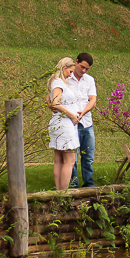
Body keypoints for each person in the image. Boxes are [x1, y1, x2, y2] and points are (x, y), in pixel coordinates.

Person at [48, 57, 80, 191]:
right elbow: (55, 102)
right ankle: (63, 192)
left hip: (59, 122)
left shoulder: (54, 82)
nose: (71, 74)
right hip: (64, 124)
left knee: (59, 159)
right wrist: (72, 114)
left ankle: (59, 191)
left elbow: (49, 101)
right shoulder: (58, 82)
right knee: (70, 160)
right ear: (64, 67)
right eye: (70, 71)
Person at [67, 52, 97, 187]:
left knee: (88, 157)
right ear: (76, 62)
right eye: (82, 67)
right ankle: (74, 186)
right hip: (71, 123)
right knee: (73, 158)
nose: (83, 71)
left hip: (87, 123)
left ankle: (89, 185)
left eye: (86, 69)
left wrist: (83, 112)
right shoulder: (66, 78)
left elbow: (93, 100)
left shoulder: (89, 80)